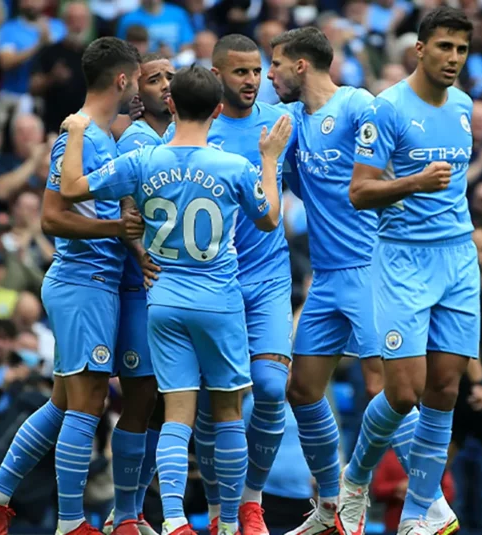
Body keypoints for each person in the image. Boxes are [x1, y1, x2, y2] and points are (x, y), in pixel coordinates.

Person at [58, 65, 292, 535]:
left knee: (175, 416)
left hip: (162, 301)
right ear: (219, 111)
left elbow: (70, 189)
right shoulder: (233, 166)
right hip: (219, 300)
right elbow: (268, 219)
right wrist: (269, 159)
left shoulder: (144, 161)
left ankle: (175, 520)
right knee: (227, 412)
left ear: (171, 104)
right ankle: (227, 523)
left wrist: (77, 131)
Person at [0, 36, 141, 535]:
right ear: (123, 79)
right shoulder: (79, 135)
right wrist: (117, 230)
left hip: (89, 282)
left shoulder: (97, 135)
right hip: (84, 281)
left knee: (65, 402)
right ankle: (70, 522)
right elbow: (52, 217)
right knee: (88, 405)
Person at [265, 27, 420, 535]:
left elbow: (392, 168)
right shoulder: (292, 123)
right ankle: (332, 507)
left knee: (386, 387)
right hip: (326, 278)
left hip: (370, 269)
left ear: (302, 65)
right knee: (303, 390)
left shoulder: (357, 105)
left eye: (276, 64)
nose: (270, 75)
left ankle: (426, 502)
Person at [343, 6, 476, 535]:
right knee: (402, 393)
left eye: (462, 49)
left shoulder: (464, 106)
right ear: (419, 49)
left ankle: (420, 511)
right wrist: (414, 183)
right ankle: (354, 482)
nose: (454, 58)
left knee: (445, 388)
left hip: (459, 258)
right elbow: (360, 191)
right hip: (403, 258)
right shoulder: (387, 108)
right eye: (444, 47)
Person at [183, 34, 297, 535]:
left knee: (271, 388)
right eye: (240, 73)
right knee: (215, 404)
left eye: (257, 72)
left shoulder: (281, 124)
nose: (251, 81)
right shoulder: (195, 133)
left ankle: (250, 503)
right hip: (216, 282)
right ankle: (217, 509)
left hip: (270, 277)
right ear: (216, 76)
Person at [102, 52, 176, 535]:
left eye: (172, 77)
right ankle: (123, 512)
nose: (166, 85)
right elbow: (126, 209)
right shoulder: (133, 138)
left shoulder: (176, 137)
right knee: (141, 396)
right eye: (155, 79)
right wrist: (137, 250)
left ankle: (126, 511)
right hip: (139, 286)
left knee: (167, 403)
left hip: (171, 290)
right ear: (137, 94)